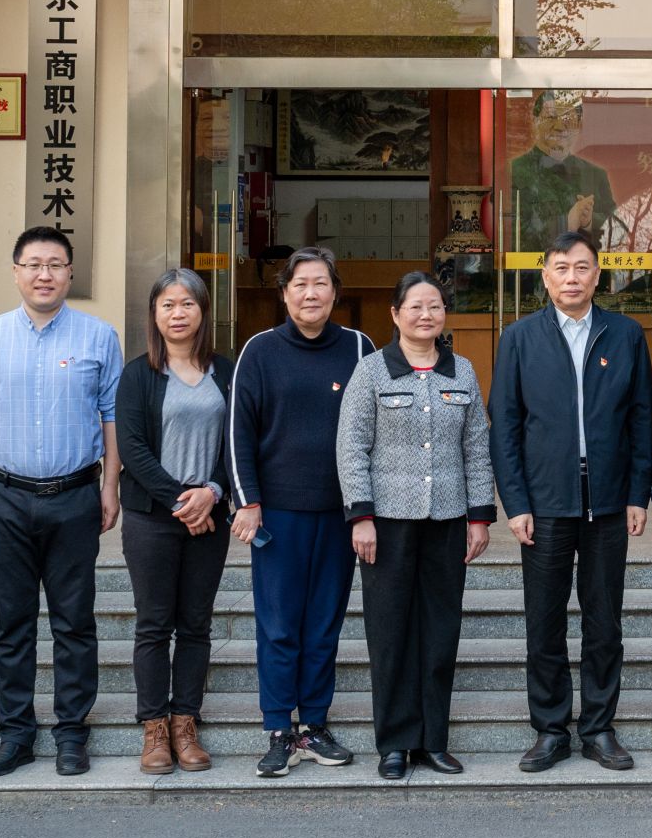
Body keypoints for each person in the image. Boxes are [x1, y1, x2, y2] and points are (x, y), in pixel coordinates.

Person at [490, 229, 652, 773]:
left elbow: (642, 419)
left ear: (598, 275)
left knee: (604, 622)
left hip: (607, 502)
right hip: (545, 502)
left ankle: (599, 728)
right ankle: (550, 728)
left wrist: (638, 493)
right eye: (561, 268)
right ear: (545, 276)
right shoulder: (519, 338)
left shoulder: (624, 334)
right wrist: (515, 502)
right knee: (544, 622)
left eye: (582, 267)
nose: (572, 278)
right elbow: (504, 426)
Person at [0, 226, 123, 778]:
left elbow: (112, 416)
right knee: (12, 623)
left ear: (70, 273)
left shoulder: (99, 336)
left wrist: (110, 488)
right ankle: (16, 735)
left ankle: (72, 732)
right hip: (4, 496)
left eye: (55, 264)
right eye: (33, 264)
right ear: (16, 272)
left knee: (74, 622)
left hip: (74, 495)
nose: (44, 275)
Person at [338, 273, 495, 781]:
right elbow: (351, 447)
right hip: (387, 524)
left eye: (435, 307)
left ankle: (433, 741)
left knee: (440, 632)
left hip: (447, 520)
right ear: (395, 314)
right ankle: (395, 743)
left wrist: (479, 516)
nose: (426, 315)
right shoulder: (371, 371)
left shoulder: (461, 371)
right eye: (416, 307)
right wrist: (361, 516)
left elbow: (476, 447)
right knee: (390, 633)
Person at [228, 246, 378, 778]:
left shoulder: (359, 348)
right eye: (300, 284)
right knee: (278, 625)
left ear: (335, 292)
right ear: (284, 293)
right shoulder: (259, 350)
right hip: (279, 514)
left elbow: (375, 430)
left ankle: (313, 724)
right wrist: (247, 502)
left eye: (320, 284)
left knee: (323, 624)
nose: (310, 294)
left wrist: (365, 508)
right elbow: (238, 432)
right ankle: (278, 729)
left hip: (339, 514)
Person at [115, 268, 233, 775]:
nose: (178, 313)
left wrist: (212, 492)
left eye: (187, 303)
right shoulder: (138, 374)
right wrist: (182, 503)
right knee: (153, 624)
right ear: (155, 314)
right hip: (153, 518)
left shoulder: (225, 371)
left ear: (203, 311)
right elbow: (132, 449)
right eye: (168, 304)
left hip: (210, 515)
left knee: (196, 625)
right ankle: (154, 729)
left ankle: (186, 723)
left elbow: (238, 442)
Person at [509, 91, 617, 253]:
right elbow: (510, 236)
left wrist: (588, 222)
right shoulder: (513, 171)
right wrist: (566, 223)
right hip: (533, 268)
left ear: (578, 126)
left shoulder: (596, 175)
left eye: (567, 119)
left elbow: (616, 234)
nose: (559, 126)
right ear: (535, 121)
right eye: (551, 118)